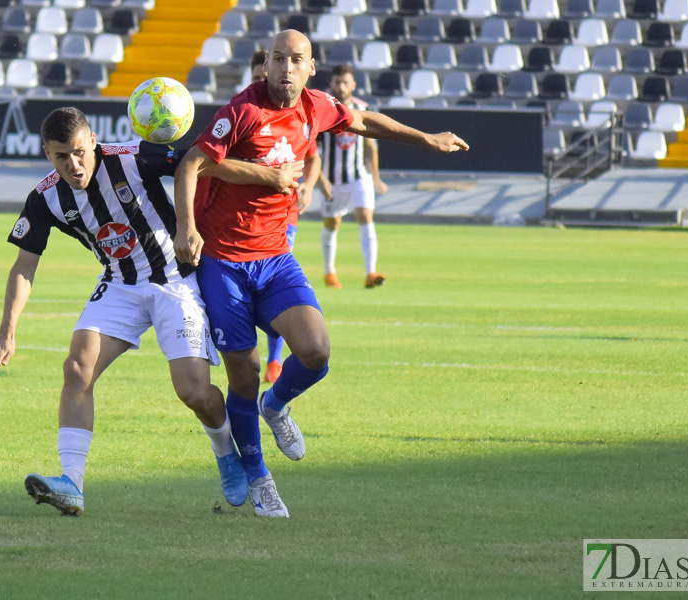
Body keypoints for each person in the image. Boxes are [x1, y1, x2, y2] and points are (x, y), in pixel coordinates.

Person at [174, 30, 468, 518]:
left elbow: (364, 120)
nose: (285, 68)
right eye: (277, 58)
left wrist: (425, 139)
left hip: (274, 257)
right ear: (265, 64)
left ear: (311, 68)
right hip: (224, 262)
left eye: (296, 59)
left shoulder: (317, 106)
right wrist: (187, 228)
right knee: (243, 375)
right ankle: (260, 477)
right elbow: (191, 165)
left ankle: (277, 405)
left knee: (316, 351)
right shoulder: (242, 111)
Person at [0, 107, 303, 517]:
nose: (74, 165)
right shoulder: (45, 198)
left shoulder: (133, 158)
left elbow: (202, 161)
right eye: (62, 156)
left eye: (80, 152)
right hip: (120, 282)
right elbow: (24, 266)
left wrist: (271, 177)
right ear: (48, 153)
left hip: (176, 280)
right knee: (77, 368)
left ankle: (225, 451)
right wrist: (7, 331)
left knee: (194, 392)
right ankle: (72, 484)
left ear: (92, 139)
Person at [252, 48, 323, 384]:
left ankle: (275, 359)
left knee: (272, 283)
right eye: (257, 77)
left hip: (283, 217)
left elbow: (312, 156)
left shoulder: (298, 115)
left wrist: (308, 186)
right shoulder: (243, 114)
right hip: (240, 225)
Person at [317, 65, 389, 290]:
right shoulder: (321, 112)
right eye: (337, 82)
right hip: (331, 179)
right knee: (332, 222)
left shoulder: (362, 109)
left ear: (353, 85)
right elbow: (310, 150)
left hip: (359, 176)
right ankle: (330, 272)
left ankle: (370, 272)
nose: (341, 86)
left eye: (345, 82)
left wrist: (376, 178)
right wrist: (320, 180)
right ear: (332, 84)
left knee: (366, 216)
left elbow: (370, 146)